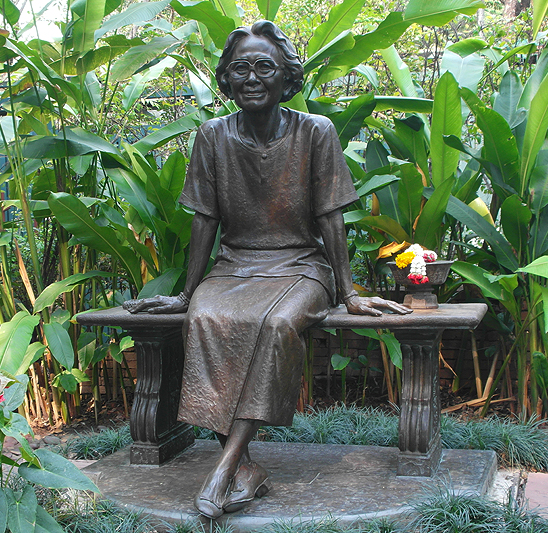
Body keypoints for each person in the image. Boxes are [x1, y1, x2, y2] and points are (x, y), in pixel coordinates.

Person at [123, 21, 411, 519]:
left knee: (277, 324)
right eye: (240, 68)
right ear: (227, 79)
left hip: (301, 267)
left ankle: (222, 468)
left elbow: (331, 216)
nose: (251, 77)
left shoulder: (314, 131)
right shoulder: (212, 136)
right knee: (206, 321)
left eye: (264, 67)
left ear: (286, 77)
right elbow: (204, 220)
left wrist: (347, 293)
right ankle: (246, 468)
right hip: (235, 268)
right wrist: (187, 293)